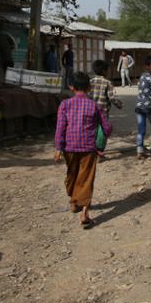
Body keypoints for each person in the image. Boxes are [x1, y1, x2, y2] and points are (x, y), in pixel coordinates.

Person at [54, 71, 112, 228]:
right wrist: (104, 137)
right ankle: (84, 210)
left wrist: (58, 147)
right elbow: (106, 127)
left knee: (72, 174)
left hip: (69, 148)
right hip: (88, 148)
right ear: (89, 87)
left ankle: (75, 202)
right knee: (86, 178)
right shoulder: (94, 105)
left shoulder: (64, 105)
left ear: (71, 87)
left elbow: (60, 127)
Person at [89, 59, 123, 157]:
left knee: (93, 129)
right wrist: (119, 104)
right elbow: (112, 97)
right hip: (103, 111)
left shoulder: (90, 81)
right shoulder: (108, 82)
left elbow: (87, 95)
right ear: (104, 71)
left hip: (91, 111)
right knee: (103, 130)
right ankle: (99, 149)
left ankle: (91, 147)